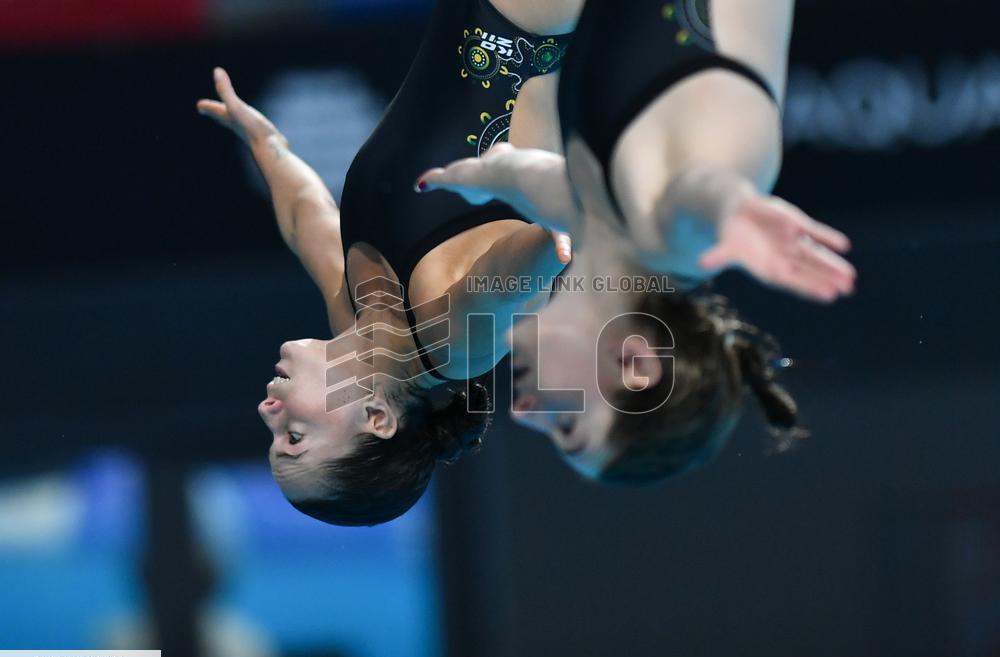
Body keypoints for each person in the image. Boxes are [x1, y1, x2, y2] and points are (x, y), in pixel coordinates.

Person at [418, 0, 858, 481]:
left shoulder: (601, 223)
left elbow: (530, 180)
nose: (525, 414)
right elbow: (699, 193)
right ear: (634, 363)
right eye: (568, 424)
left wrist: (483, 178)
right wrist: (734, 208)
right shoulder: (672, 241)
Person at [197, 0, 583, 526]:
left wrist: (267, 145)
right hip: (530, 30)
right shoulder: (452, 345)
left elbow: (306, 222)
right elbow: (501, 287)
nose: (268, 411)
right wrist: (552, 232)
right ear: (376, 418)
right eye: (293, 437)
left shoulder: (357, 322)